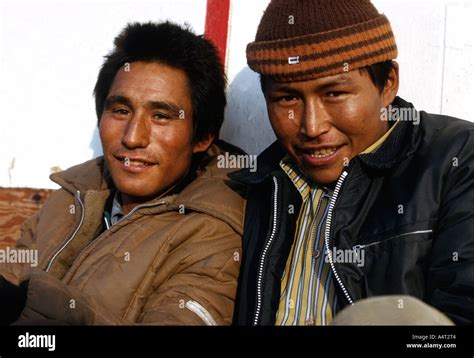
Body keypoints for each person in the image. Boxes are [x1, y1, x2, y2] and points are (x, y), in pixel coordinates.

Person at [231, 0, 474, 325]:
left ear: (387, 83)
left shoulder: (456, 160)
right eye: (287, 98)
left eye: (334, 94)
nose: (312, 126)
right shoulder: (257, 186)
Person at [0, 21, 245, 325]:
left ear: (203, 137)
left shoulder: (216, 236)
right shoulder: (72, 196)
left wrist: (29, 309)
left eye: (161, 116)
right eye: (120, 110)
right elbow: (10, 273)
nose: (132, 137)